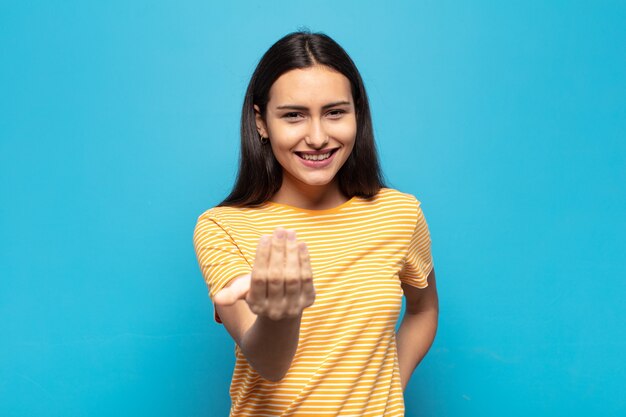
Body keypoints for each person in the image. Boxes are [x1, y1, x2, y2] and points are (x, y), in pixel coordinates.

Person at [192, 30, 439, 416]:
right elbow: (269, 364)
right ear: (261, 122)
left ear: (358, 112)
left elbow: (424, 310)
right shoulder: (221, 227)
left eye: (335, 112)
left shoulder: (400, 214)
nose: (318, 137)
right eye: (293, 115)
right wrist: (282, 312)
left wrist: (389, 390)